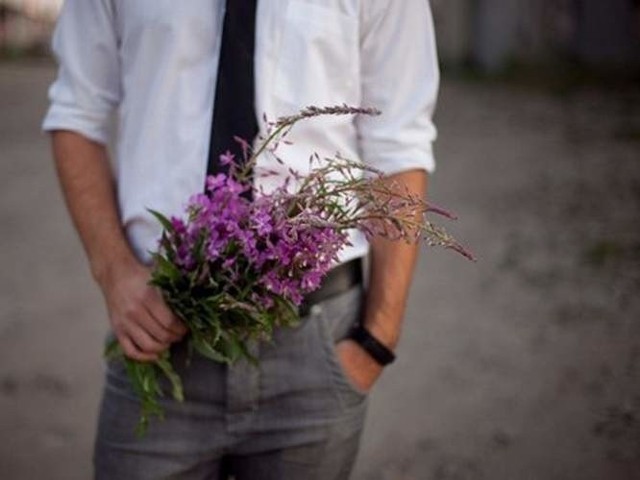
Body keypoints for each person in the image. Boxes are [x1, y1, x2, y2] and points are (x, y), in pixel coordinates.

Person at [42, 1, 440, 479]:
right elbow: (75, 114)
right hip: (158, 330)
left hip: (315, 346)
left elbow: (398, 145)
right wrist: (115, 274)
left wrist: (377, 340)